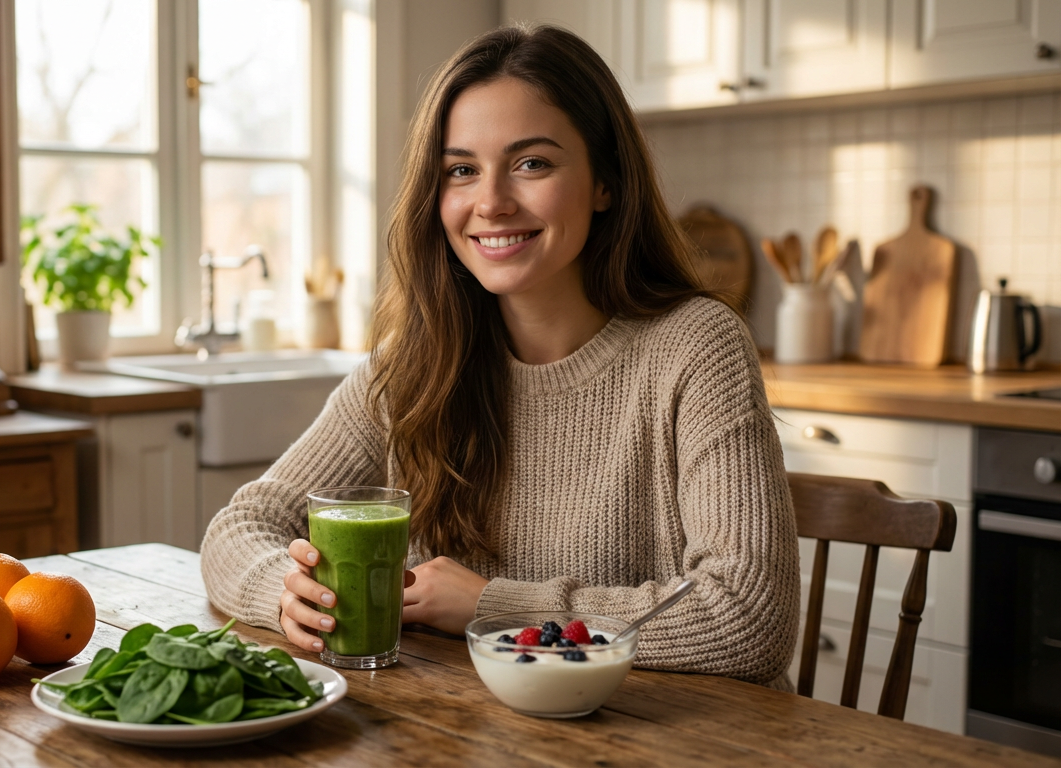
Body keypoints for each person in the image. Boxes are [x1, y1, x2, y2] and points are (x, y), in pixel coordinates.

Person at [200, 23, 800, 688]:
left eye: (531, 163)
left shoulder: (697, 346)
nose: (490, 202)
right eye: (461, 170)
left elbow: (750, 620)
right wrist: (282, 592)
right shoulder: (414, 367)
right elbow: (240, 526)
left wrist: (492, 605)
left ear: (605, 181)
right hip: (469, 734)